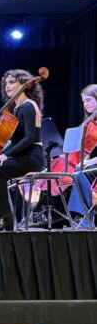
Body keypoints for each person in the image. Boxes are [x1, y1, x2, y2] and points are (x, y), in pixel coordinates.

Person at [0, 69, 46, 231]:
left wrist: (6, 155)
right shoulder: (16, 109)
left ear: (24, 85)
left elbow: (30, 138)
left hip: (32, 158)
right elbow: (15, 141)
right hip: (22, 156)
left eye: (12, 82)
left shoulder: (28, 106)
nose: (7, 86)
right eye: (6, 83)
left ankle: (6, 217)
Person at [67, 84, 97, 222]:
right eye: (83, 102)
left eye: (89, 100)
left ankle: (85, 217)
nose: (85, 104)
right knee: (77, 171)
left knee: (79, 172)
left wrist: (90, 161)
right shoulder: (91, 123)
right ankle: (83, 216)